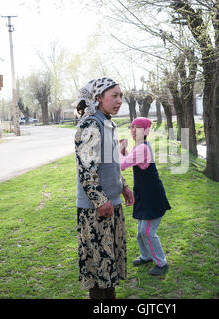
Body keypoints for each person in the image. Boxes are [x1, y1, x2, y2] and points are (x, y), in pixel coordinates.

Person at [74, 77, 135, 299]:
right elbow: (85, 169)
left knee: (109, 269)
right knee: (100, 273)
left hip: (111, 205)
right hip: (96, 211)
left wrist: (124, 187)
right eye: (114, 96)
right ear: (98, 98)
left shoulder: (108, 123)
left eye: (121, 95)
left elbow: (112, 163)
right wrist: (101, 201)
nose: (119, 100)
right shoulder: (91, 124)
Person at [119, 117, 171, 276]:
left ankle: (162, 264)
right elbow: (129, 160)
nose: (133, 130)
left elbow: (121, 165)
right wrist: (124, 151)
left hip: (152, 195)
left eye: (137, 127)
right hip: (145, 193)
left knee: (147, 232)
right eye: (132, 127)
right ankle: (146, 256)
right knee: (141, 230)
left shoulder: (143, 148)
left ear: (145, 131)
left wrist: (118, 148)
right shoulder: (139, 147)